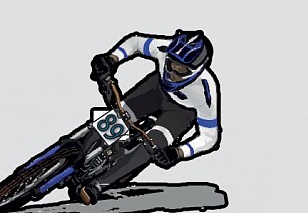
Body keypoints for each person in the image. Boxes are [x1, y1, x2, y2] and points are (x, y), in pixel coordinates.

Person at [86, 31, 220, 179]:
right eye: (170, 64)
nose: (172, 73)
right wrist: (112, 58)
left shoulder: (206, 91)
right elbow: (135, 42)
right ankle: (81, 147)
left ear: (198, 70)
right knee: (115, 120)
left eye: (181, 70)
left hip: (180, 111)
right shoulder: (164, 48)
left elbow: (210, 137)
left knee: (150, 146)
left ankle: (100, 183)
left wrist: (178, 152)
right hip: (156, 90)